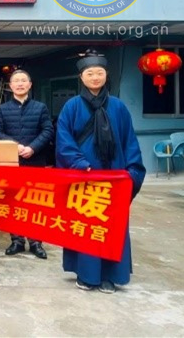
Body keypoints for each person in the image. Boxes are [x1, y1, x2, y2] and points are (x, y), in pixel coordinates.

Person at [56, 49, 145, 294]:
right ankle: (86, 274)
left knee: (111, 225)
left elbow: (129, 141)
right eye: (90, 73)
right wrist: (78, 163)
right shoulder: (72, 106)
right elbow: (64, 140)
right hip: (84, 176)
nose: (95, 77)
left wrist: (131, 171)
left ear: (106, 75)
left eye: (99, 73)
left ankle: (110, 275)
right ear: (81, 77)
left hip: (114, 178)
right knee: (85, 225)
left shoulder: (119, 107)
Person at [0, 69, 54, 259]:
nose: (20, 84)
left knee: (35, 203)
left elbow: (48, 130)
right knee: (13, 202)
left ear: (29, 84)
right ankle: (17, 240)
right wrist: (15, 145)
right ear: (10, 86)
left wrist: (33, 147)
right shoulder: (2, 109)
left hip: (35, 160)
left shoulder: (40, 107)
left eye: (23, 81)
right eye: (16, 81)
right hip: (12, 161)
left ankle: (36, 242)